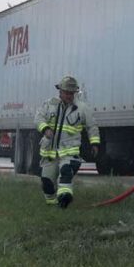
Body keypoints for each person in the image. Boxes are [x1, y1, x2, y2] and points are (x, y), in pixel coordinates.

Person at [35, 75, 100, 208]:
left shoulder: (82, 108)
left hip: (70, 152)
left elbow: (92, 126)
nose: (69, 96)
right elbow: (38, 118)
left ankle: (64, 200)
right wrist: (45, 129)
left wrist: (94, 143)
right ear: (60, 92)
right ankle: (52, 202)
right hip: (50, 152)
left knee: (65, 173)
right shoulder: (49, 105)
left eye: (72, 93)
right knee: (47, 182)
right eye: (66, 93)